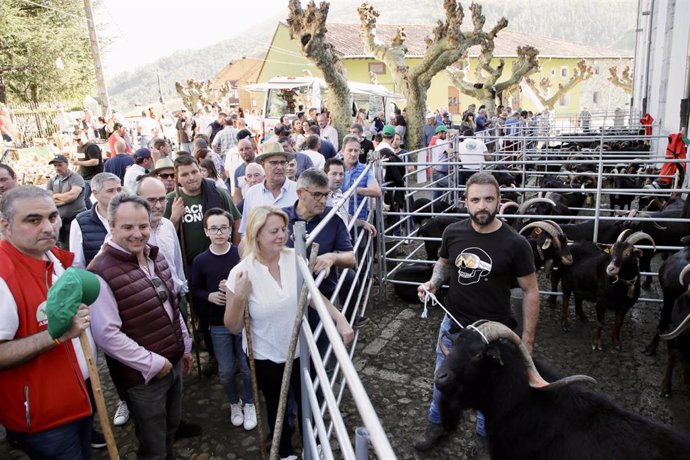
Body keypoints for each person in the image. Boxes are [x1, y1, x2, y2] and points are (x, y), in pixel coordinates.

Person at [413, 172, 539, 452]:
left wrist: (527, 341)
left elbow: (531, 291)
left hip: (494, 335)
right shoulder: (453, 232)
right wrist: (434, 283)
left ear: (498, 201)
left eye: (488, 199)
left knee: (491, 390)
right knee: (442, 381)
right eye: (476, 200)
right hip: (454, 328)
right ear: (466, 202)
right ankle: (438, 425)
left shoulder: (516, 244)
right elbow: (444, 263)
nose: (482, 206)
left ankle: (486, 438)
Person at [224, 205, 353, 459]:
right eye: (274, 231)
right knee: (276, 407)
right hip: (266, 356)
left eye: (283, 229)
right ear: (256, 234)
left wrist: (339, 318)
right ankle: (284, 451)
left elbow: (311, 297)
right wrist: (239, 296)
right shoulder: (241, 272)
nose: (281, 235)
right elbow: (233, 326)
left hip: (301, 350)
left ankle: (311, 443)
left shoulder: (296, 257)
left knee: (309, 400)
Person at [89, 194, 193, 459]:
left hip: (173, 362)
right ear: (111, 226)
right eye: (127, 227)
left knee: (170, 426)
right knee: (152, 441)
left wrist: (185, 345)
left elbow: (171, 302)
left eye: (143, 226)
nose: (137, 234)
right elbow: (107, 335)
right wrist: (152, 364)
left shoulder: (155, 257)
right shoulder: (100, 271)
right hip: (142, 378)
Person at [0, 186, 94, 458]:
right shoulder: (4, 276)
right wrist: (58, 334)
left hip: (79, 397)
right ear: (6, 226)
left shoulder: (56, 260)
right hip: (44, 417)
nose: (48, 227)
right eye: (33, 220)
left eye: (52, 217)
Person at [190, 208, 256, 431]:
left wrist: (233, 288)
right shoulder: (201, 260)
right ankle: (234, 402)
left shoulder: (239, 256)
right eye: (214, 228)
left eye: (224, 228)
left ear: (231, 229)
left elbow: (250, 282)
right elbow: (194, 288)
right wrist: (208, 295)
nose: (220, 232)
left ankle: (249, 401)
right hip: (217, 323)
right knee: (226, 370)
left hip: (242, 321)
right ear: (206, 231)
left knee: (247, 368)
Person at [164, 155, 241, 266]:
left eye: (194, 172)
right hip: (188, 266)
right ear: (177, 178)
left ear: (200, 172)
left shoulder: (219, 194)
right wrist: (175, 218)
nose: (191, 177)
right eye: (185, 174)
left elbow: (237, 223)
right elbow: (165, 236)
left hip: (220, 261)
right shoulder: (172, 200)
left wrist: (234, 253)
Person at [238, 142, 298, 235]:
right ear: (263, 165)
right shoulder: (252, 193)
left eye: (283, 162)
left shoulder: (298, 190)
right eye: (274, 163)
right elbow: (246, 232)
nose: (280, 167)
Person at [69, 172, 121, 269]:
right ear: (95, 193)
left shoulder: (129, 216)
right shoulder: (80, 222)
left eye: (119, 190)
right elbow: (77, 264)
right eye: (110, 191)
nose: (116, 195)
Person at [47, 154, 86, 248]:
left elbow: (72, 195)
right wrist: (65, 200)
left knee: (78, 246)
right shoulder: (52, 181)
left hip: (76, 218)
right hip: (60, 221)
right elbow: (48, 200)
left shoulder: (76, 178)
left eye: (60, 165)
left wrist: (55, 196)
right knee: (64, 247)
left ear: (67, 164)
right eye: (55, 166)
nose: (57, 168)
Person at [339, 135, 382, 221]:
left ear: (360, 152)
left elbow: (377, 191)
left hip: (358, 220)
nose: (353, 154)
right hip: (338, 219)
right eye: (350, 150)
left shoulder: (365, 169)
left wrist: (355, 190)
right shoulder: (334, 167)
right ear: (342, 151)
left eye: (356, 150)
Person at [72, 131, 104, 209]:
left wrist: (79, 162)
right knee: (84, 198)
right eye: (74, 140)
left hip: (93, 176)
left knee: (98, 197)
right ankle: (92, 212)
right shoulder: (79, 147)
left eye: (78, 140)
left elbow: (95, 161)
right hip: (84, 176)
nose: (77, 142)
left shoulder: (91, 146)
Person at [428, 125, 451, 200]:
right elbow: (450, 151)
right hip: (438, 172)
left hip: (438, 171)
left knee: (437, 194)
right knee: (452, 186)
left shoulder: (440, 141)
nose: (446, 134)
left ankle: (435, 209)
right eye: (445, 133)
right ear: (440, 133)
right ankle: (448, 206)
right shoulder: (440, 142)